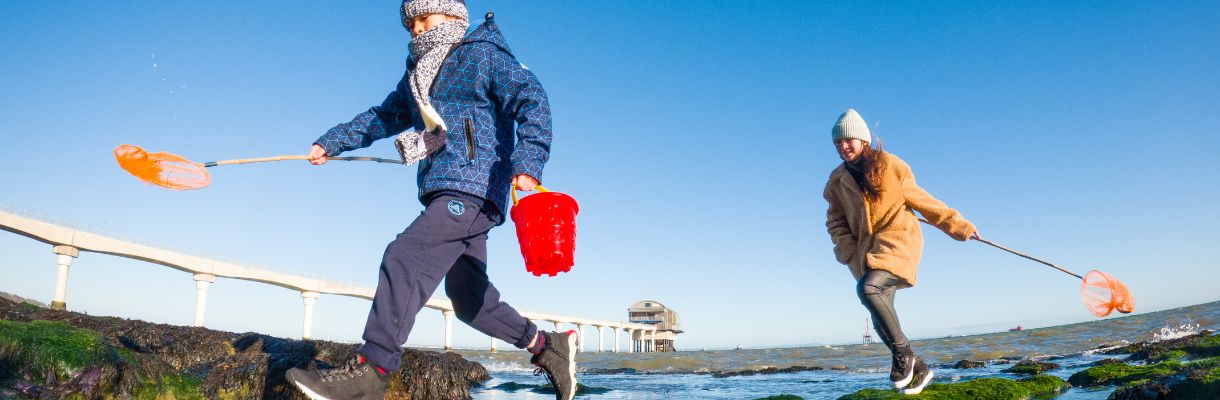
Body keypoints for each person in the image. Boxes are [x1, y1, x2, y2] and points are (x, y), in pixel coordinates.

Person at [285, 1, 577, 399]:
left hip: (473, 186)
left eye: (426, 19)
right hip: (447, 188)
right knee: (469, 301)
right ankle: (548, 347)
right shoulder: (418, 76)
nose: (418, 29)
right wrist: (331, 142)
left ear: (455, 17)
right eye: (411, 24)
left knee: (404, 255)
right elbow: (381, 117)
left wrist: (528, 161)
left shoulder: (482, 54)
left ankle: (374, 369)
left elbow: (533, 99)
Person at [822, 109, 979, 395]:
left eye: (848, 140)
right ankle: (919, 367)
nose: (842, 147)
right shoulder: (835, 182)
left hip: (897, 241)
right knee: (882, 316)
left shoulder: (890, 165)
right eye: (837, 143)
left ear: (862, 139)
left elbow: (922, 201)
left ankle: (903, 355)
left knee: (868, 289)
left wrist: (959, 226)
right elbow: (835, 221)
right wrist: (845, 248)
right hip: (863, 251)